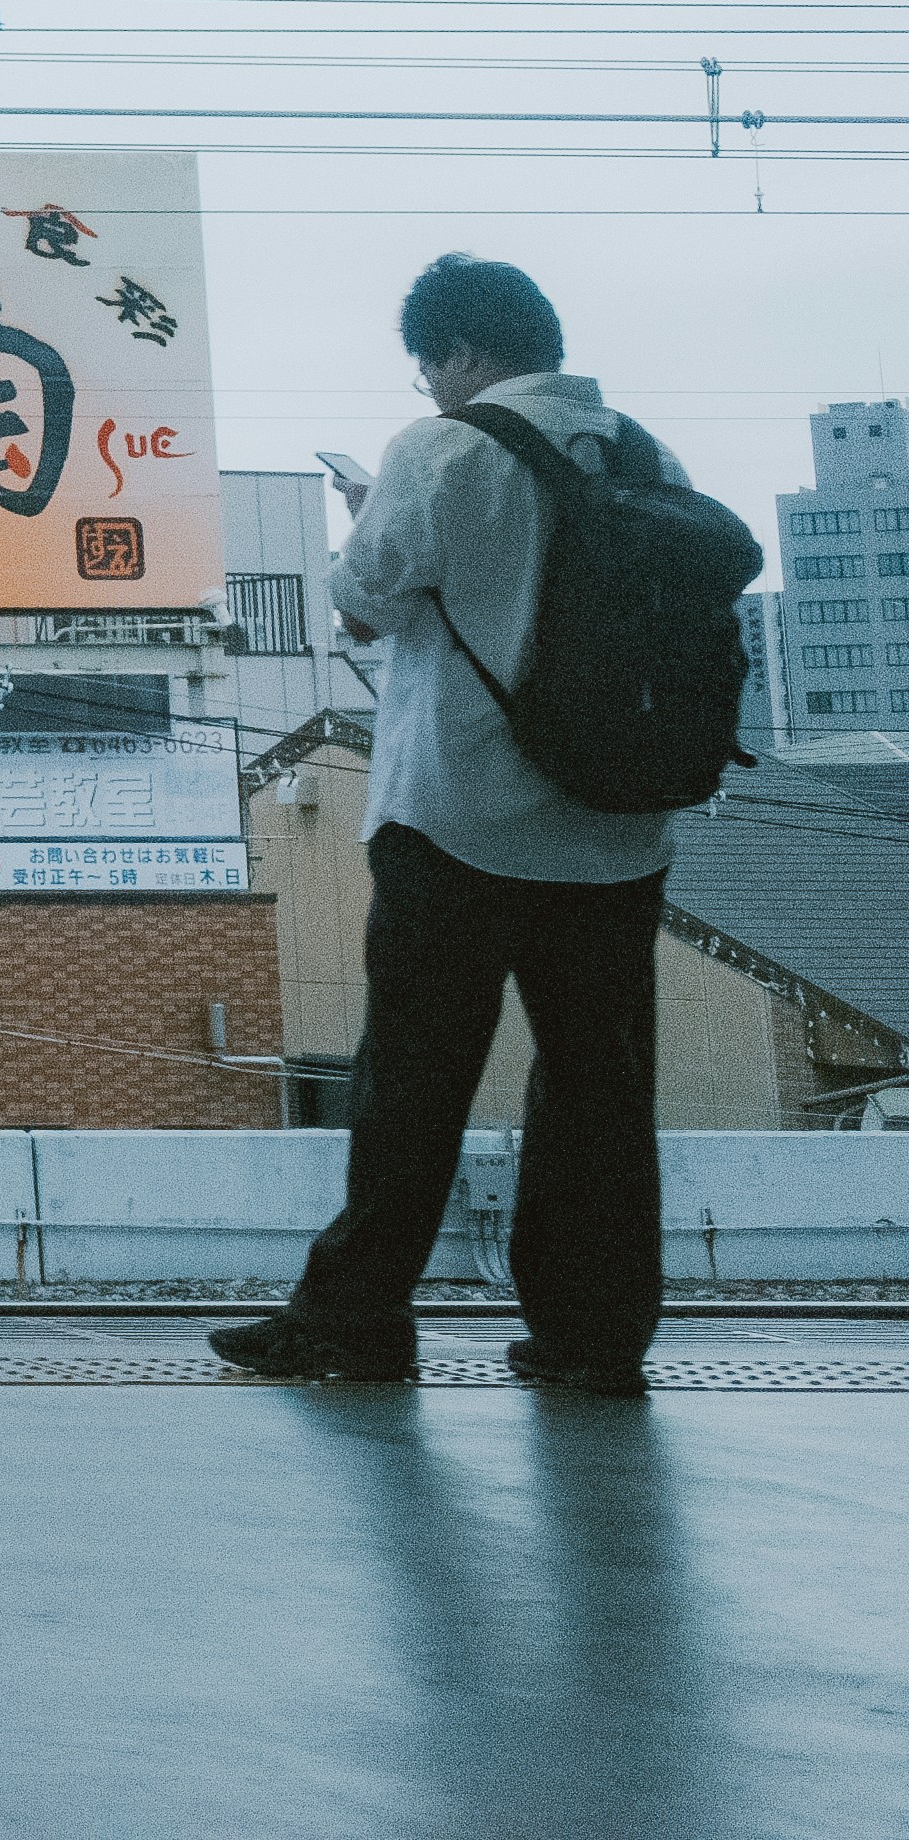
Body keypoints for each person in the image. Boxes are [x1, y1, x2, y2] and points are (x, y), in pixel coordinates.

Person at [213, 254, 685, 1397]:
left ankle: (355, 1324)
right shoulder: (642, 451)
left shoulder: (438, 450)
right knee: (599, 1095)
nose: (426, 388)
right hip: (618, 828)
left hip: (459, 818)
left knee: (411, 1086)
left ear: (460, 356)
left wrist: (365, 515)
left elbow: (362, 595)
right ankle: (591, 1340)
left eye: (429, 367)